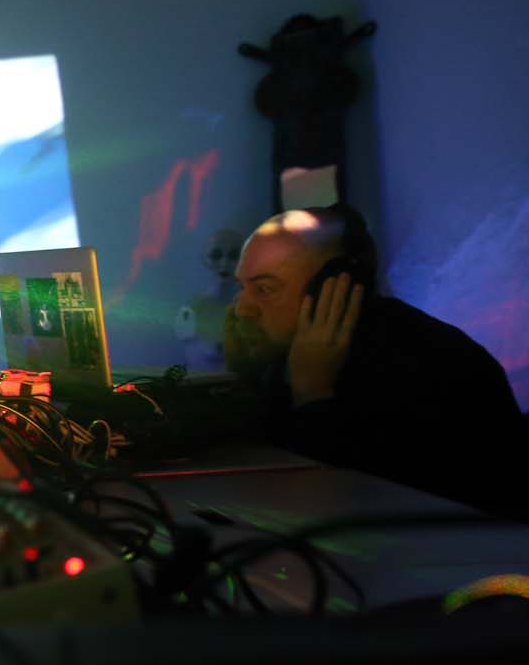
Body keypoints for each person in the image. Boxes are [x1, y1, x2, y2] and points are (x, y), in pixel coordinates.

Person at [225, 204, 525, 516]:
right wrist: (243, 379)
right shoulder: (286, 355)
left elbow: (341, 503)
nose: (243, 309)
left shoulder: (421, 364)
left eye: (264, 289)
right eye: (242, 288)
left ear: (332, 286)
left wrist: (313, 394)